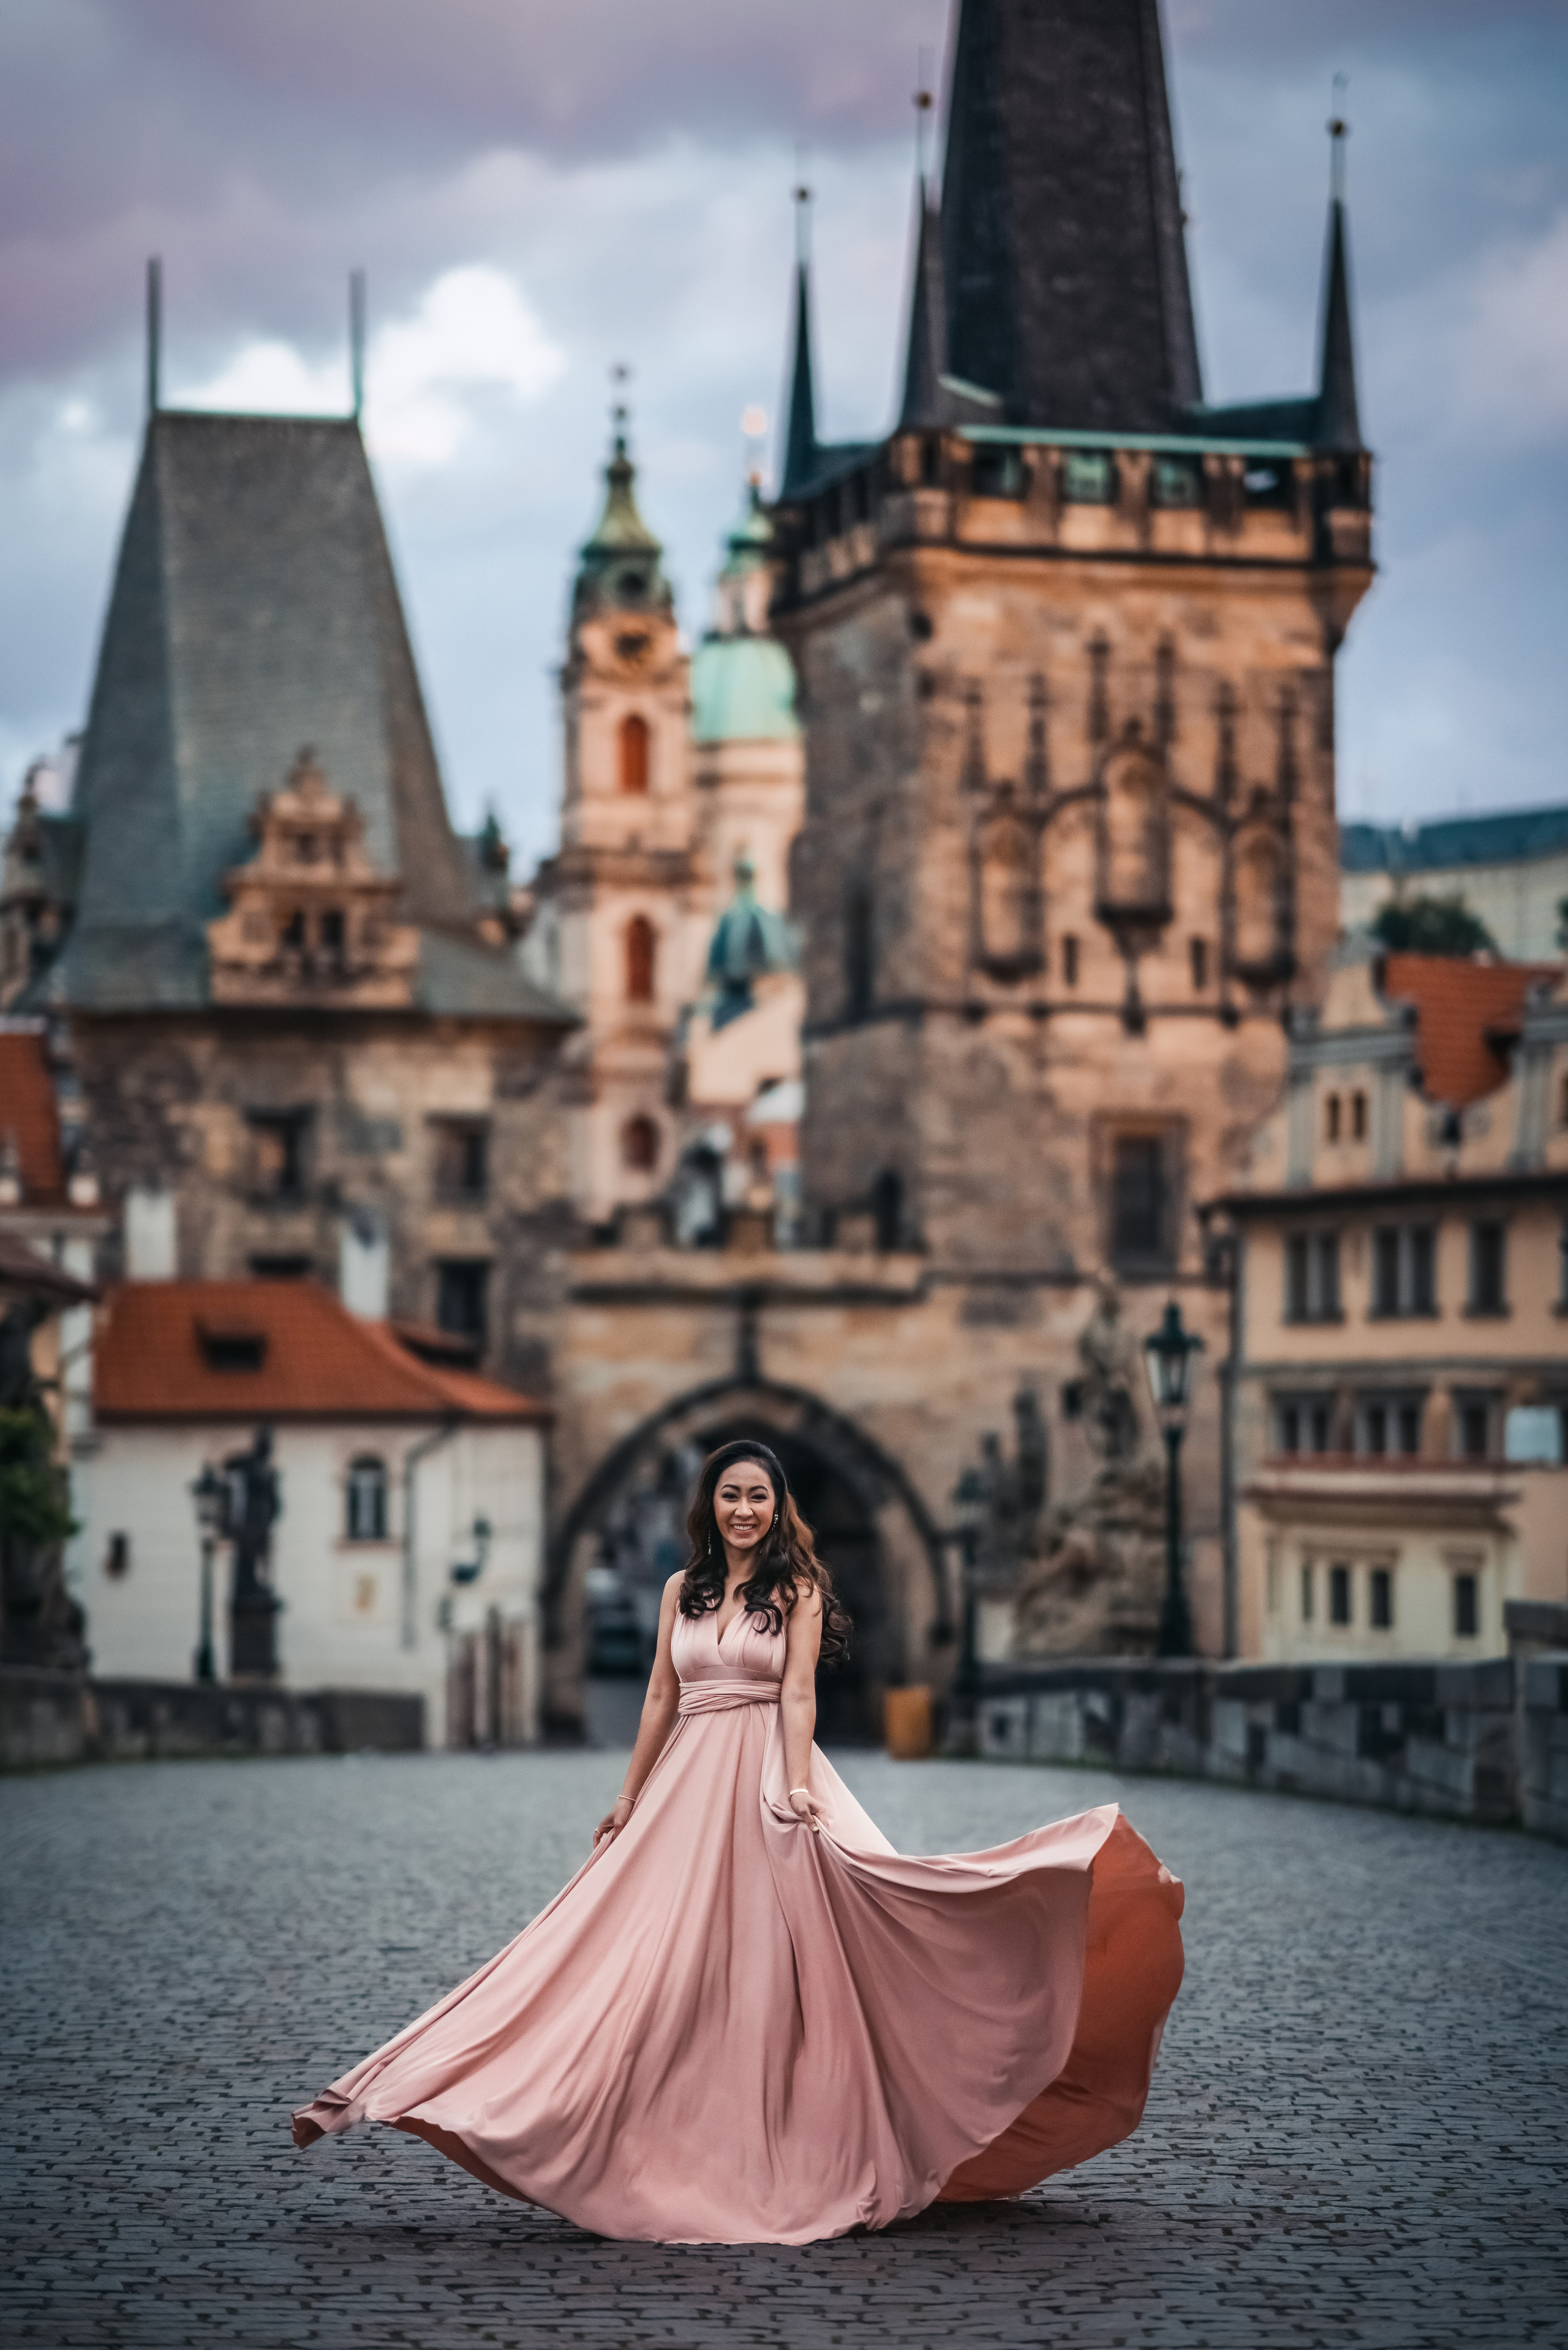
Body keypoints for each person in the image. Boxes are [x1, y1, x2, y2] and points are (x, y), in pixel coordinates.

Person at [292, 1439, 1185, 2245]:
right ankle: (460, 2093)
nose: (744, 1508)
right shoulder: (684, 1590)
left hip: (765, 1773)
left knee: (782, 1966)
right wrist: (628, 1794)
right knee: (619, 1958)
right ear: (710, 1506)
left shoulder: (797, 1588)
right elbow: (657, 1698)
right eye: (730, 1494)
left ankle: (785, 2137)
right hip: (687, 1784)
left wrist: (796, 1785)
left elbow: (798, 1693)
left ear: (778, 1504)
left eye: (758, 1494)